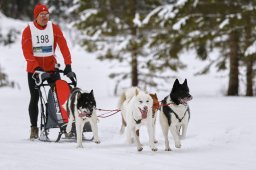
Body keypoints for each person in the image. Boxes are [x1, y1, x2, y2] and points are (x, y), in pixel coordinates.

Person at [21, 3, 73, 140]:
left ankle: (66, 126)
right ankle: (34, 128)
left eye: (46, 15)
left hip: (51, 68)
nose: (44, 17)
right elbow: (27, 53)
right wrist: (36, 68)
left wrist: (68, 65)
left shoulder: (54, 28)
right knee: (35, 97)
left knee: (61, 96)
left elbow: (64, 46)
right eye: (41, 15)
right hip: (34, 70)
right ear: (36, 16)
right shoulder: (28, 30)